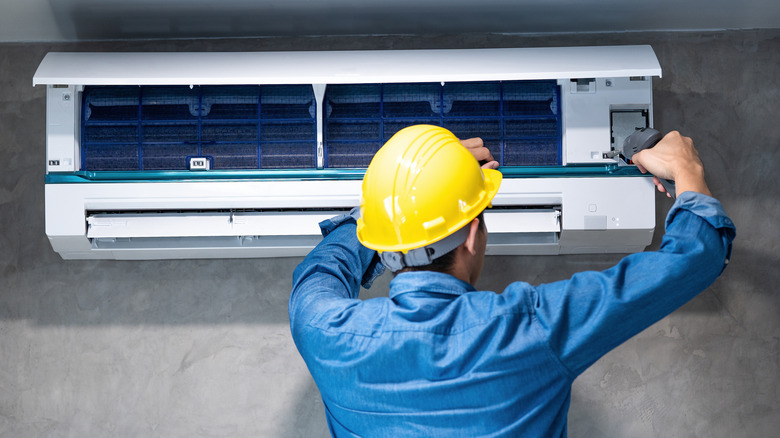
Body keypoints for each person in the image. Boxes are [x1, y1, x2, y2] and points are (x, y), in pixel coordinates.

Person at [289, 125, 735, 437]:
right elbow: (694, 257)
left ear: (382, 243)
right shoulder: (532, 327)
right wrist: (686, 169)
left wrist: (401, 194)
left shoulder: (324, 332)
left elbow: (321, 269)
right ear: (472, 235)